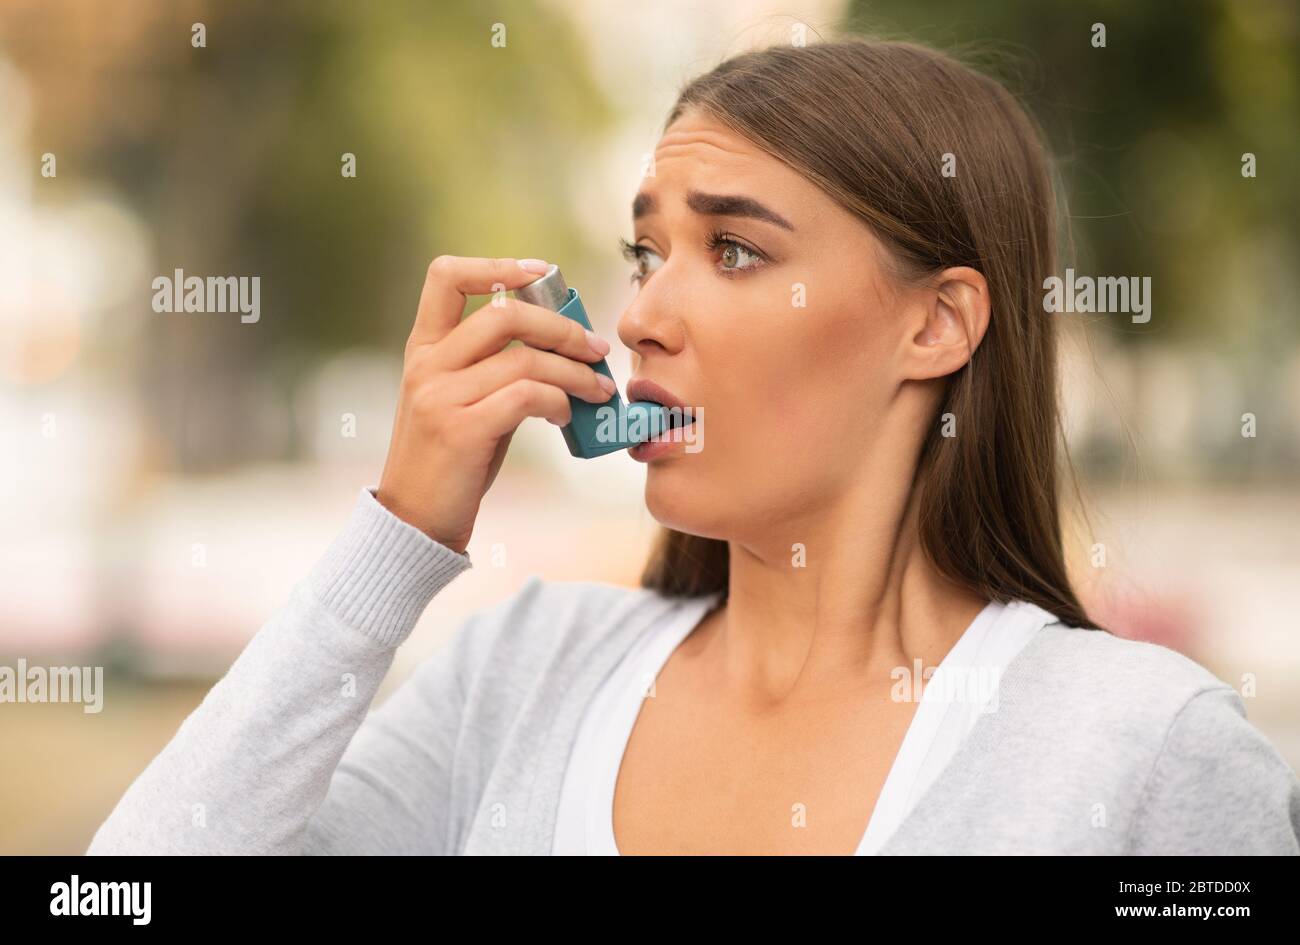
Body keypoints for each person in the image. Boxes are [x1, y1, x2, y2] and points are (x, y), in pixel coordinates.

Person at [87, 38, 1300, 856]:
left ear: (936, 324)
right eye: (644, 253)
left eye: (732, 252)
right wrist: (395, 545)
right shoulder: (516, 676)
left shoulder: (1144, 753)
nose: (642, 317)